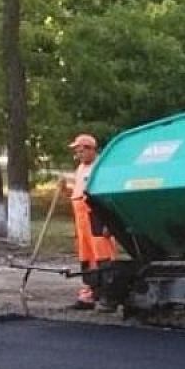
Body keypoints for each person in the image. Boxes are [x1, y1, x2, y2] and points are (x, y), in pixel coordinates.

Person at [61, 133, 115, 310]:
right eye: (76, 150)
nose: (78, 153)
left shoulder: (101, 167)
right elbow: (77, 194)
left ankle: (109, 296)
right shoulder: (80, 168)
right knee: (86, 258)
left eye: (81, 150)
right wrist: (65, 190)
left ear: (91, 149)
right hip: (81, 219)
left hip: (96, 217)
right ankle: (89, 295)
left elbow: (108, 195)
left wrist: (110, 223)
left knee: (103, 257)